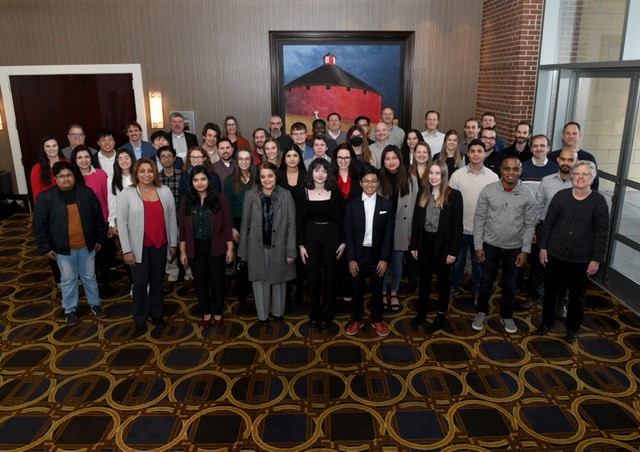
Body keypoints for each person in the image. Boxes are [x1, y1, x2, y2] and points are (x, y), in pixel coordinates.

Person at [537, 161, 609, 343]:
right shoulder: (561, 197)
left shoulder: (599, 201)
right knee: (550, 291)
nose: (581, 177)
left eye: (585, 174)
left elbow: (602, 233)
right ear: (572, 176)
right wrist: (543, 247)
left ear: (592, 178)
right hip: (555, 253)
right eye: (577, 174)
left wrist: (596, 259)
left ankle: (573, 328)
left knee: (577, 296)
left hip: (582, 258)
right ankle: (546, 322)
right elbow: (548, 224)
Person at [33, 161, 108, 325]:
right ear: (55, 178)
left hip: (87, 245)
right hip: (63, 249)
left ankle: (95, 305)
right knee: (68, 280)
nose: (66, 179)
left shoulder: (86, 193)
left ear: (74, 176)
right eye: (61, 176)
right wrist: (46, 247)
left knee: (90, 277)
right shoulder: (45, 198)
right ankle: (70, 310)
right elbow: (39, 225)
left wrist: (100, 239)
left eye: (69, 175)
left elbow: (99, 219)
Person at [472, 157, 536, 334]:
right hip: (490, 245)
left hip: (514, 248)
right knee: (486, 281)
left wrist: (525, 250)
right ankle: (481, 312)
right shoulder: (488, 190)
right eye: (507, 169)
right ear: (501, 170)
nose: (511, 173)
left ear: (520, 171)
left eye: (515, 169)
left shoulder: (527, 194)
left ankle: (507, 315)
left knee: (510, 284)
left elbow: (530, 224)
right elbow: (479, 219)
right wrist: (478, 246)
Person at [117, 158, 178, 336]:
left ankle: (157, 315)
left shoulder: (164, 191)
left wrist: (173, 242)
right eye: (142, 171)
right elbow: (121, 223)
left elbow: (172, 218)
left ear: (155, 173)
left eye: (150, 171)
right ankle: (140, 318)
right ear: (136, 173)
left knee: (157, 282)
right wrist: (126, 250)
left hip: (160, 244)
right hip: (137, 248)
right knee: (140, 283)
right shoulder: (127, 193)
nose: (146, 175)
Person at [238, 162, 297, 325]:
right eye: (263, 176)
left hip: (280, 246)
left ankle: (278, 313)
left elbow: (292, 225)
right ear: (259, 178)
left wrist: (291, 251)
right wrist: (242, 250)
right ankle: (262, 315)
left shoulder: (286, 195)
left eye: (270, 175)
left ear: (275, 176)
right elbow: (245, 224)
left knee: (279, 280)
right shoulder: (251, 195)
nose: (267, 179)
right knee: (259, 281)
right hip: (256, 247)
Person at [409, 161, 463, 332]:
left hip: (444, 246)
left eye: (437, 173)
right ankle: (422, 312)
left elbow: (457, 227)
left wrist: (453, 251)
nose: (433, 177)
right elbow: (417, 222)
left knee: (442, 282)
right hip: (425, 243)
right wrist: (414, 246)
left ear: (444, 175)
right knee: (423, 280)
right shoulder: (422, 193)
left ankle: (441, 315)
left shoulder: (454, 195)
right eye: (431, 173)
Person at [179, 166, 234, 329]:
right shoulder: (186, 200)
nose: (199, 183)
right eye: (195, 180)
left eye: (203, 179)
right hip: (194, 246)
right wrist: (182, 251)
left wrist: (230, 249)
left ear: (209, 181)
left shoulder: (221, 198)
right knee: (200, 282)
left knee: (217, 281)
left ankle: (218, 313)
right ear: (191, 183)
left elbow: (227, 224)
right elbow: (182, 228)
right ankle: (206, 313)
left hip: (216, 245)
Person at [344, 166, 395, 337]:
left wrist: (384, 258)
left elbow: (389, 235)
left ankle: (377, 319)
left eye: (373, 181)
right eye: (366, 181)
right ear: (360, 183)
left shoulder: (387, 205)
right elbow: (348, 234)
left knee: (377, 289)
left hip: (377, 255)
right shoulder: (351, 205)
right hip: (357, 255)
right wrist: (351, 259)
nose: (370, 184)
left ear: (378, 183)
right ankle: (357, 319)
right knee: (356, 289)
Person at [448, 139, 499, 301]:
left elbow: (495, 205)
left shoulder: (493, 177)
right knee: (457, 261)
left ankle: (477, 288)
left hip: (482, 230)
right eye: (473, 151)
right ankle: (454, 287)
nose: (476, 154)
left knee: (478, 263)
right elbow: (449, 202)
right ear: (468, 154)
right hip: (459, 228)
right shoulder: (457, 175)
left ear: (484, 154)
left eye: (479, 151)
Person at [298, 158, 345, 328]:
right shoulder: (304, 191)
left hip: (332, 236)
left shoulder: (335, 191)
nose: (320, 174)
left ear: (329, 174)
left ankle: (328, 313)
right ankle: (314, 313)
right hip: (311, 236)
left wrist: (344, 241)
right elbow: (300, 221)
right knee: (313, 277)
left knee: (331, 276)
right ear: (311, 172)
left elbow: (343, 218)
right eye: (316, 170)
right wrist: (301, 245)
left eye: (324, 170)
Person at [378, 145, 418, 311]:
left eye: (394, 158)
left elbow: (415, 208)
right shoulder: (377, 178)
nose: (391, 161)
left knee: (397, 261)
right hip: (382, 225)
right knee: (381, 261)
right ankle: (381, 292)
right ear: (383, 161)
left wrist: (411, 232)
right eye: (387, 158)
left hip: (402, 224)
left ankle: (393, 291)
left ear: (400, 160)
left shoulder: (410, 179)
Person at [71, 145, 113, 297]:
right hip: (83, 225)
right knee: (88, 260)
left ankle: (106, 285)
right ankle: (92, 289)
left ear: (91, 158)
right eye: (80, 157)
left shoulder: (101, 174)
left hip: (102, 222)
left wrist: (110, 221)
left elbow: (108, 198)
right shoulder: (73, 179)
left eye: (86, 157)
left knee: (105, 258)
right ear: (75, 161)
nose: (84, 160)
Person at [31, 135, 67, 287]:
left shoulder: (67, 163)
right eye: (48, 146)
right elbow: (37, 196)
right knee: (55, 247)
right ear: (43, 149)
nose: (52, 149)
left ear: (59, 147)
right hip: (51, 214)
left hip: (69, 210)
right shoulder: (37, 169)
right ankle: (59, 278)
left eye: (54, 145)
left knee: (71, 244)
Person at [224, 148, 256, 304]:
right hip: (237, 223)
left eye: (247, 159)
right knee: (241, 258)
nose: (244, 162)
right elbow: (227, 206)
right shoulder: (230, 180)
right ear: (237, 161)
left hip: (256, 223)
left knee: (256, 258)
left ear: (251, 161)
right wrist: (231, 227)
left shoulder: (257, 179)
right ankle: (242, 293)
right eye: (241, 159)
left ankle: (255, 290)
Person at [279, 144, 308, 305]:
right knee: (284, 257)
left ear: (299, 158)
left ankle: (301, 290)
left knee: (302, 258)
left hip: (302, 223)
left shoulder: (306, 175)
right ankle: (287, 289)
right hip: (282, 223)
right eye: (288, 156)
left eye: (295, 156)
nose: (291, 159)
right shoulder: (278, 176)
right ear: (284, 159)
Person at [548, 121, 599, 191]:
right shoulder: (551, 156)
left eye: (574, 133)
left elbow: (594, 185)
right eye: (567, 133)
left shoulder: (589, 158)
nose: (571, 136)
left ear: (579, 135)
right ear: (562, 136)